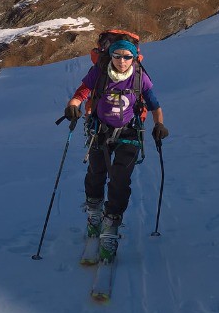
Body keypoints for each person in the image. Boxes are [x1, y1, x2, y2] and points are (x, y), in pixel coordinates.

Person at [63, 38, 169, 262]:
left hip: (129, 132)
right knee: (96, 173)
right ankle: (94, 214)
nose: (122, 61)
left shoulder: (140, 77)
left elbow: (154, 104)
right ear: (110, 56)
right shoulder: (99, 73)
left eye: (127, 57)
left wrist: (159, 124)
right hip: (99, 131)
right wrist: (73, 105)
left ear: (134, 58)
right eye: (118, 56)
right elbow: (82, 92)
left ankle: (111, 223)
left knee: (120, 179)